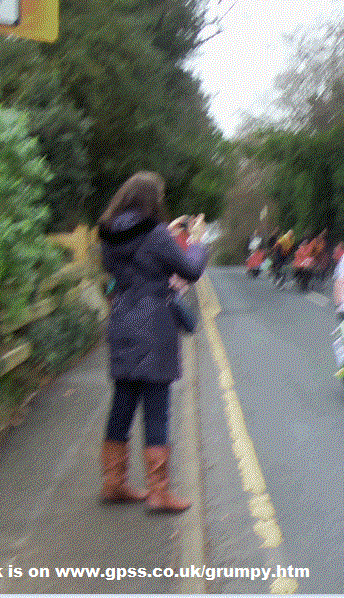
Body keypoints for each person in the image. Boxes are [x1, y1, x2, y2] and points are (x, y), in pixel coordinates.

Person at [97, 171, 209, 513]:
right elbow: (189, 270)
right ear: (152, 200)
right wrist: (198, 242)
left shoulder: (108, 232)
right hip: (153, 326)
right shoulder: (157, 234)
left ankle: (113, 484)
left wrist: (167, 234)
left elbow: (128, 265)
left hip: (122, 321)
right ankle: (159, 493)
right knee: (157, 409)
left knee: (123, 403)